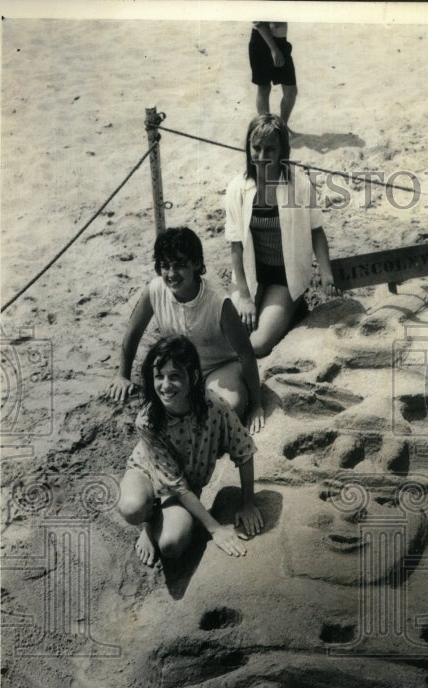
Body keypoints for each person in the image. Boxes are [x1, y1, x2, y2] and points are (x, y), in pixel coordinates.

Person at [117, 335, 263, 567]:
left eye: (175, 376)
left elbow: (244, 450)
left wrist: (248, 503)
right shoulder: (147, 421)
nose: (165, 386)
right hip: (148, 472)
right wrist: (216, 529)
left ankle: (158, 522)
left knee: (172, 546)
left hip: (183, 486)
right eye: (159, 377)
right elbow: (175, 483)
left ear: (193, 377)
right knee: (132, 508)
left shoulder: (214, 407)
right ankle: (148, 521)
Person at [108, 227, 264, 434]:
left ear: (197, 264)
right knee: (153, 422)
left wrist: (256, 405)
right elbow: (133, 333)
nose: (172, 274)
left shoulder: (218, 300)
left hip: (220, 366)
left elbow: (245, 353)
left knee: (228, 409)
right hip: (180, 369)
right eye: (165, 266)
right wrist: (123, 375)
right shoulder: (154, 290)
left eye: (180, 266)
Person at [225, 113, 337, 358]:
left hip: (285, 277)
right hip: (251, 274)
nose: (262, 157)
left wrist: (326, 273)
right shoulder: (237, 188)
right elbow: (236, 246)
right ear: (248, 148)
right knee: (229, 337)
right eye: (256, 148)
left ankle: (290, 309)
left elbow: (316, 231)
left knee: (256, 345)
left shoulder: (299, 184)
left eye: (270, 149)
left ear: (282, 151)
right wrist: (244, 296)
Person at [249, 21, 297, 126]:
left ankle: (281, 127)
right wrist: (274, 50)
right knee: (264, 88)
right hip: (261, 41)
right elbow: (259, 23)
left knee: (291, 90)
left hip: (281, 41)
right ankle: (266, 127)